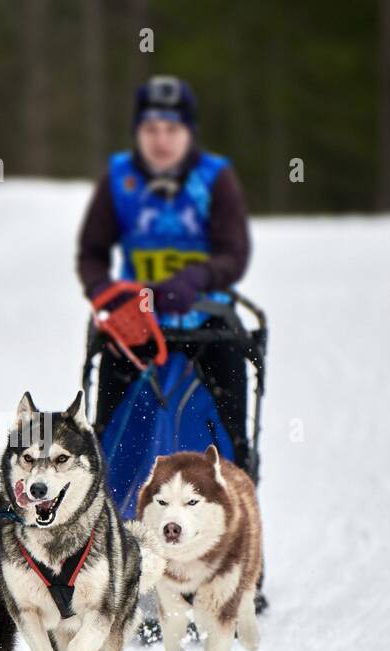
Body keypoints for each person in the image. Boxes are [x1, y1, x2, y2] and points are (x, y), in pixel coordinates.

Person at [77, 75, 253, 470]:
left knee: (228, 447)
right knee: (112, 448)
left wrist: (196, 279)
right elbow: (91, 254)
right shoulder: (119, 180)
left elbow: (234, 253)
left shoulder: (216, 179)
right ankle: (115, 513)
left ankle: (233, 492)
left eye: (172, 129)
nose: (161, 140)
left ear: (188, 132)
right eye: (151, 129)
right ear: (137, 132)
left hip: (209, 326)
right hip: (133, 329)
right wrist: (106, 292)